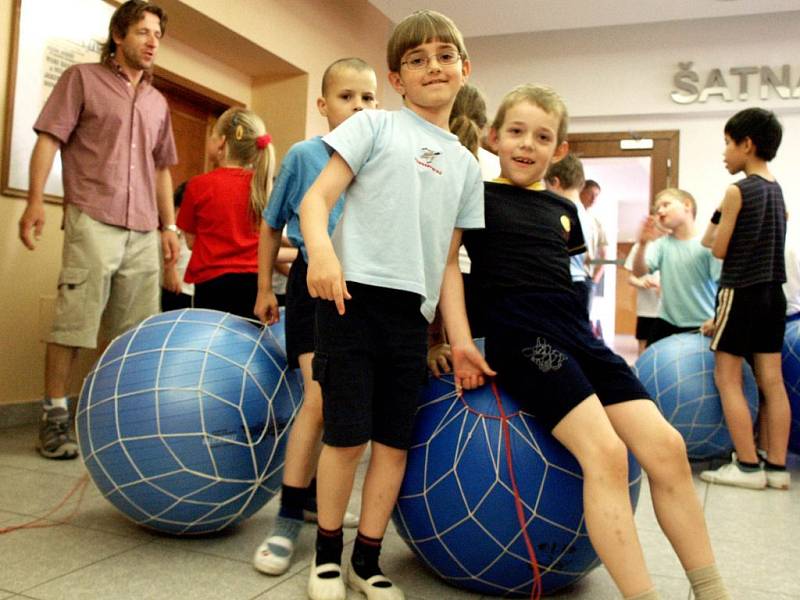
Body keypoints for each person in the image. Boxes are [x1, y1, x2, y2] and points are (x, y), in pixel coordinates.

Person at [462, 84, 728, 600]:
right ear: (493, 138)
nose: (526, 145)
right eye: (515, 132)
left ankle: (712, 590)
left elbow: (571, 278)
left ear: (560, 150)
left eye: (542, 137)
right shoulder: (475, 196)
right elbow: (449, 268)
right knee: (605, 452)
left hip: (575, 335)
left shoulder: (563, 211)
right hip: (522, 337)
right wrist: (452, 340)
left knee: (668, 448)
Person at [299, 11, 493, 600]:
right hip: (349, 302)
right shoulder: (374, 127)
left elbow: (449, 264)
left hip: (411, 317)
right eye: (416, 59)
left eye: (444, 55)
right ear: (396, 79)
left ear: (464, 68)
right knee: (347, 437)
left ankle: (368, 558)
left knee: (392, 444)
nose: (432, 65)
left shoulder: (466, 164)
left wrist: (458, 339)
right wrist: (323, 255)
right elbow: (315, 200)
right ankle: (327, 556)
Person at [18, 0, 178, 460]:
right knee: (74, 322)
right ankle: (53, 418)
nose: (152, 42)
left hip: (145, 228)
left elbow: (162, 168)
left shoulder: (157, 101)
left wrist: (169, 227)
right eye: (144, 32)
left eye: (158, 36)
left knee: (132, 336)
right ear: (119, 35)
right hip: (93, 217)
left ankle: (112, 420)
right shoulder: (81, 80)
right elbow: (49, 138)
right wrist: (34, 203)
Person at [252, 57, 379, 578]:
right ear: (323, 106)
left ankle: (308, 502)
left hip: (363, 287)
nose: (358, 107)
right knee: (317, 398)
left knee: (346, 404)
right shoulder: (306, 155)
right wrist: (265, 286)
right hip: (310, 283)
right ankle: (286, 517)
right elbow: (271, 224)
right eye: (347, 97)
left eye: (368, 98)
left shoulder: (378, 159)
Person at [699, 108, 790, 490]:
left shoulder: (738, 190)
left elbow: (715, 249)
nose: (724, 153)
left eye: (727, 143)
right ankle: (777, 469)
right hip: (774, 294)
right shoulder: (777, 191)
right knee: (772, 380)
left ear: (747, 144)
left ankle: (748, 466)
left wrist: (723, 208)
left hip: (740, 291)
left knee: (728, 378)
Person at [175, 107, 275, 319]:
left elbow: (191, 242)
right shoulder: (261, 186)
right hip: (255, 282)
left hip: (212, 284)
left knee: (211, 346)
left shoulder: (198, 185)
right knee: (246, 345)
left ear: (221, 142)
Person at [631, 188, 720, 347]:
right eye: (658, 208)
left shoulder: (707, 244)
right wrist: (643, 244)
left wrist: (717, 319)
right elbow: (639, 272)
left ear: (687, 205)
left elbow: (724, 286)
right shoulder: (661, 245)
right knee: (650, 367)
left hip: (703, 324)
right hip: (667, 322)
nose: (660, 211)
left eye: (666, 204)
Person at [544, 153, 594, 319]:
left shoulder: (564, 214)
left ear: (555, 183)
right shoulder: (586, 215)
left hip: (564, 283)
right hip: (579, 282)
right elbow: (587, 255)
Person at [161, 182, 194, 312]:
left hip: (192, 289)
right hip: (176, 286)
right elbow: (167, 252)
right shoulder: (171, 232)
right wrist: (170, 270)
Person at [623, 241, 660, 355]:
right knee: (643, 348)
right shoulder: (640, 246)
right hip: (646, 310)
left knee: (663, 349)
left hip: (667, 312)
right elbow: (630, 277)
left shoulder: (671, 243)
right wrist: (641, 283)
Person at [580, 179, 607, 306]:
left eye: (596, 196)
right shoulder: (568, 215)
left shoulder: (596, 223)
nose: (593, 199)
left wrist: (594, 280)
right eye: (591, 194)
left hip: (586, 277)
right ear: (581, 191)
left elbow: (604, 255)